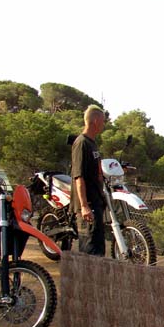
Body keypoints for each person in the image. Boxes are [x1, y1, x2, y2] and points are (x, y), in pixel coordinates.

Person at [70, 105, 107, 256]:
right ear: (96, 121)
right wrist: (84, 206)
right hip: (87, 206)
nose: (104, 125)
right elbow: (79, 176)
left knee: (98, 247)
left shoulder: (92, 143)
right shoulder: (81, 143)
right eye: (103, 121)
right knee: (89, 250)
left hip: (96, 203)